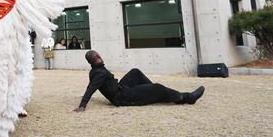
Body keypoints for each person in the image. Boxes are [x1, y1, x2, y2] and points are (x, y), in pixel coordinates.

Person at [74, 51, 205, 112]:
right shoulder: (99, 73)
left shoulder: (95, 70)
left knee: (135, 72)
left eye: (98, 55)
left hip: (120, 88)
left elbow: (90, 85)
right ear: (93, 61)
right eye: (96, 58)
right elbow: (91, 88)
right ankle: (187, 98)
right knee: (158, 88)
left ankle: (152, 91)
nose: (98, 58)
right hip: (123, 97)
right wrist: (82, 105)